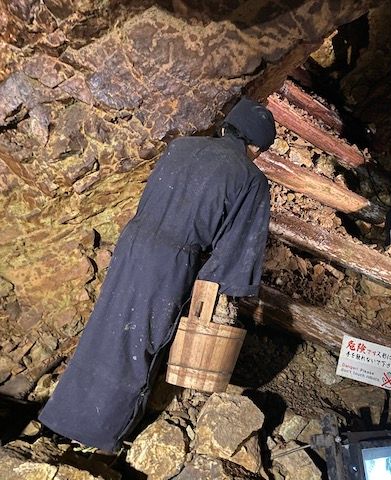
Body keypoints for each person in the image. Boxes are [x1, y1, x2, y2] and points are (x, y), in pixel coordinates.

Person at [38, 97, 276, 453]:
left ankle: (64, 416)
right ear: (254, 145)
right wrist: (220, 285)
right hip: (170, 261)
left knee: (106, 327)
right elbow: (239, 244)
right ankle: (101, 433)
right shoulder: (250, 178)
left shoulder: (181, 147)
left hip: (133, 243)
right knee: (141, 344)